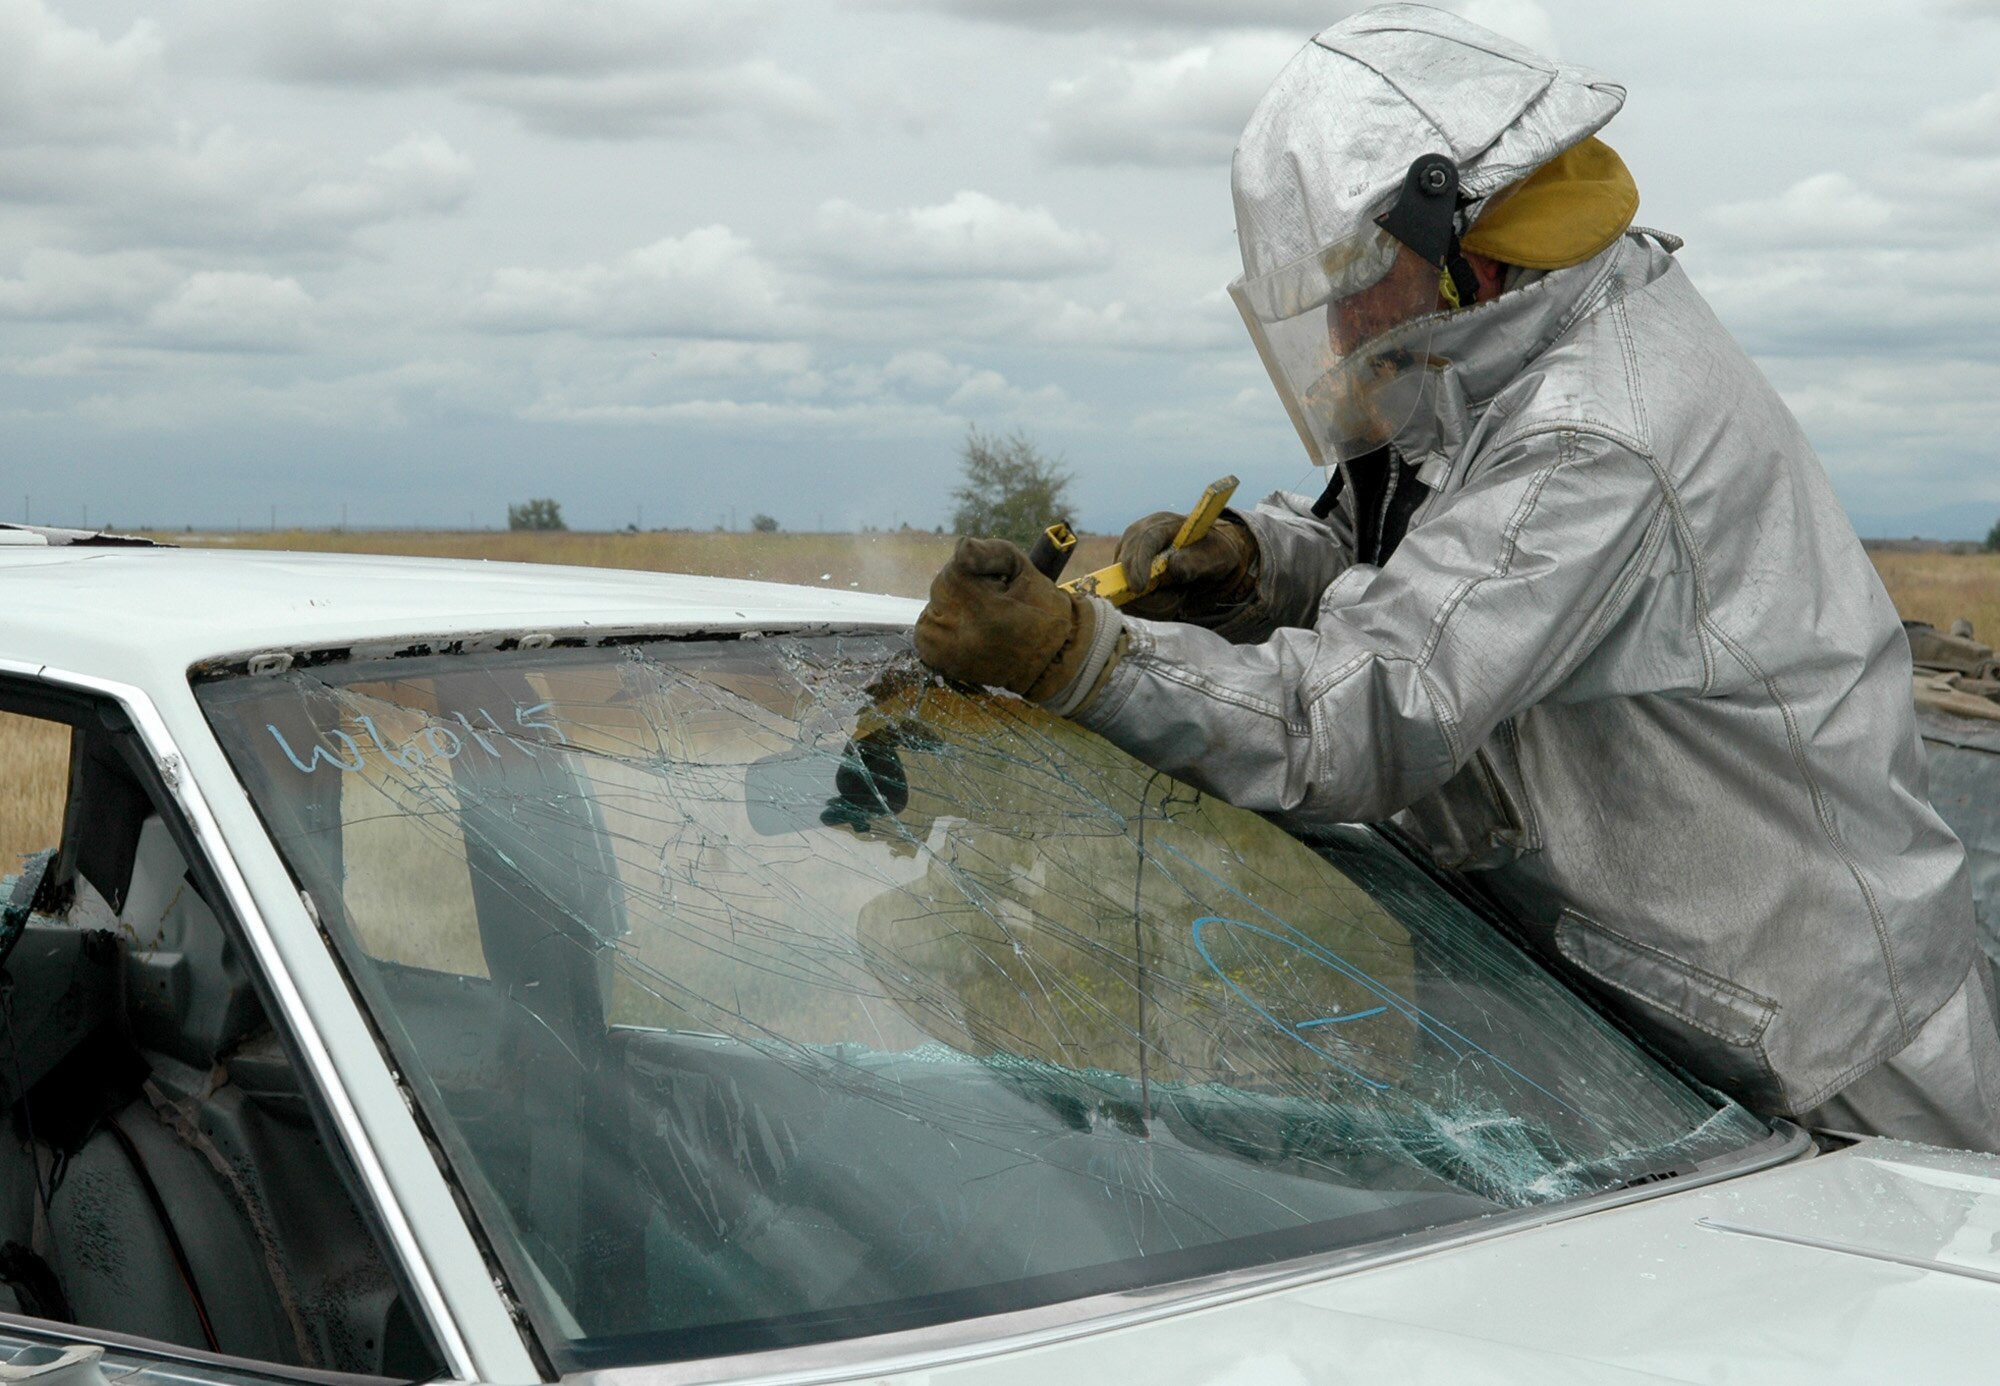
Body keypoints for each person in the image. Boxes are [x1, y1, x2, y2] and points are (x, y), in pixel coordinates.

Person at [913, 3, 2000, 1149]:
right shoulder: (1503, 352)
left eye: (1349, 277)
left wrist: (1082, 662)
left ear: (1459, 243)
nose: (1335, 326)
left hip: (1831, 1060)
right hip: (1664, 1027)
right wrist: (1251, 570)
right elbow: (1410, 556)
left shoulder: (1594, 435)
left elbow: (1378, 707)